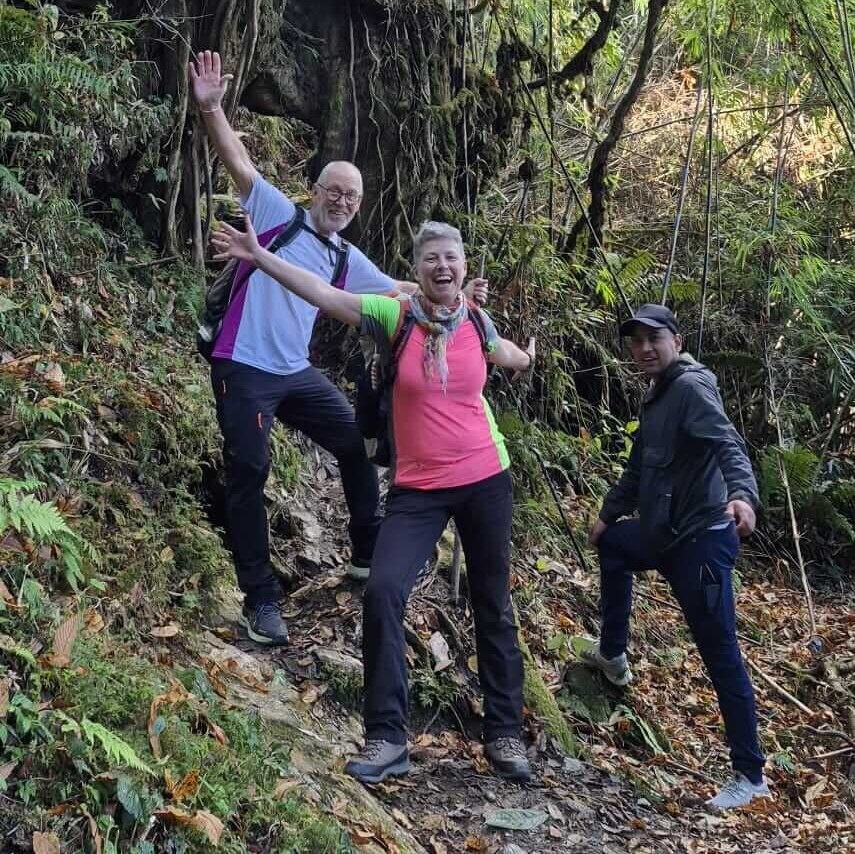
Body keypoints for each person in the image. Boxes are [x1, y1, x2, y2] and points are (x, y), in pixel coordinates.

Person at [211, 214, 536, 784]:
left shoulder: (477, 323)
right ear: (416, 271)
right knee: (384, 590)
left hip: (487, 477)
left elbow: (506, 353)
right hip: (418, 488)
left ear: (463, 267)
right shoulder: (397, 315)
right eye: (431, 258)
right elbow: (325, 293)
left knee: (493, 602)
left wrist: (528, 357)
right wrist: (259, 256)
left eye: (451, 258)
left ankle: (504, 735)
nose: (442, 266)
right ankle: (387, 737)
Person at [190, 51, 485, 647]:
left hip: (293, 373)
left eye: (352, 196)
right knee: (249, 469)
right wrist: (212, 107)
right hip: (243, 366)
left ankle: (365, 550)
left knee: (354, 442)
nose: (343, 202)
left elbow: (400, 288)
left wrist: (455, 292)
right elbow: (238, 159)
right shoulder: (278, 215)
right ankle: (261, 598)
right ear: (315, 191)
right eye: (335, 191)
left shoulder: (345, 258)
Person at [586, 303, 770, 812]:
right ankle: (613, 654)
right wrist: (608, 515)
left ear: (677, 342)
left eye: (655, 339)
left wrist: (743, 496)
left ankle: (750, 774)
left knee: (719, 651)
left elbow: (728, 443)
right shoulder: (656, 396)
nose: (645, 349)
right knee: (616, 547)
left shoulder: (690, 387)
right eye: (637, 341)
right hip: (663, 535)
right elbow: (638, 467)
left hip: (703, 544)